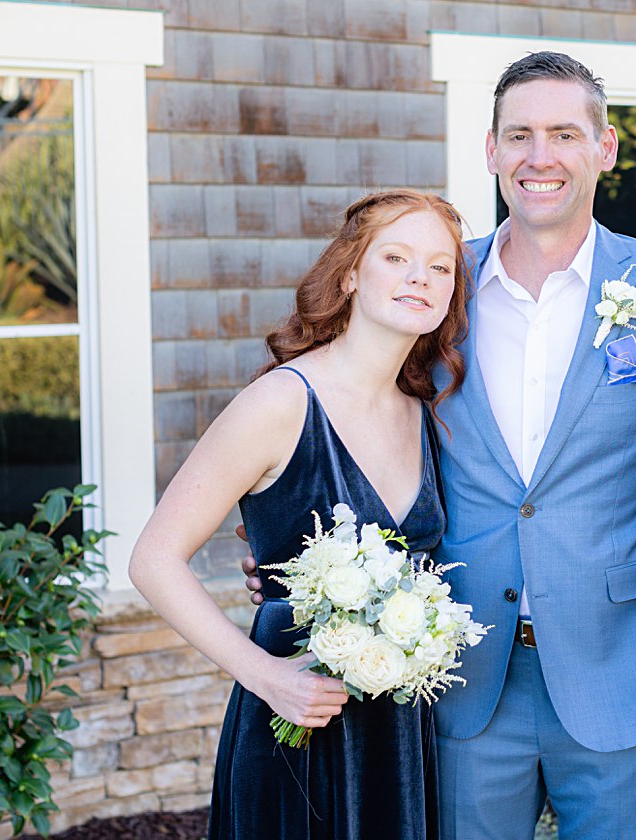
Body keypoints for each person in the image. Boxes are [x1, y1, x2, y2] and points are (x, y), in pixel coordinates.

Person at [240, 51, 636, 838]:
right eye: (520, 135)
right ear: (492, 150)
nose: (541, 157)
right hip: (461, 678)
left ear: (604, 149)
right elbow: (356, 413)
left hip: (630, 671)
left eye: (565, 134)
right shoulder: (438, 287)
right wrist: (287, 539)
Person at [130, 189, 471, 840]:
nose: (419, 279)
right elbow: (153, 559)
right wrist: (267, 678)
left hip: (397, 736)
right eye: (396, 257)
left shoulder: (423, 412)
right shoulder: (282, 404)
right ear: (349, 273)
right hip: (297, 725)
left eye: (439, 267)